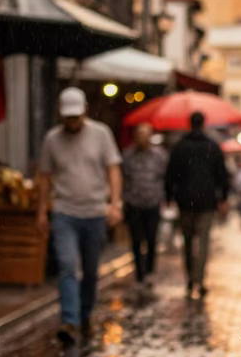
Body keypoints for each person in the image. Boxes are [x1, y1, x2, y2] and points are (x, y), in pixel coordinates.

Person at [36, 88, 123, 343]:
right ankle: (70, 320)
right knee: (66, 265)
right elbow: (44, 176)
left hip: (95, 212)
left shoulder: (101, 134)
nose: (72, 122)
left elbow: (113, 170)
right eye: (67, 118)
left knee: (91, 270)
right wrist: (42, 211)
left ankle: (85, 312)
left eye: (76, 117)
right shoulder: (52, 139)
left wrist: (115, 204)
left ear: (84, 110)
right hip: (65, 212)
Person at [164, 111, 230, 300]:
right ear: (203, 124)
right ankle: (198, 280)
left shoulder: (179, 147)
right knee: (203, 243)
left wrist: (169, 195)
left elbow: (170, 174)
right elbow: (222, 175)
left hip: (184, 201)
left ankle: (189, 278)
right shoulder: (212, 146)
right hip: (207, 202)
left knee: (187, 241)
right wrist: (223, 197)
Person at [121, 122, 167, 291]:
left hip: (152, 202)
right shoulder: (127, 155)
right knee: (135, 240)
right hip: (134, 203)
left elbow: (164, 176)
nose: (142, 138)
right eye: (139, 134)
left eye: (145, 134)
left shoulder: (159, 155)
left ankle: (149, 271)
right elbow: (123, 177)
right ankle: (139, 274)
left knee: (152, 239)